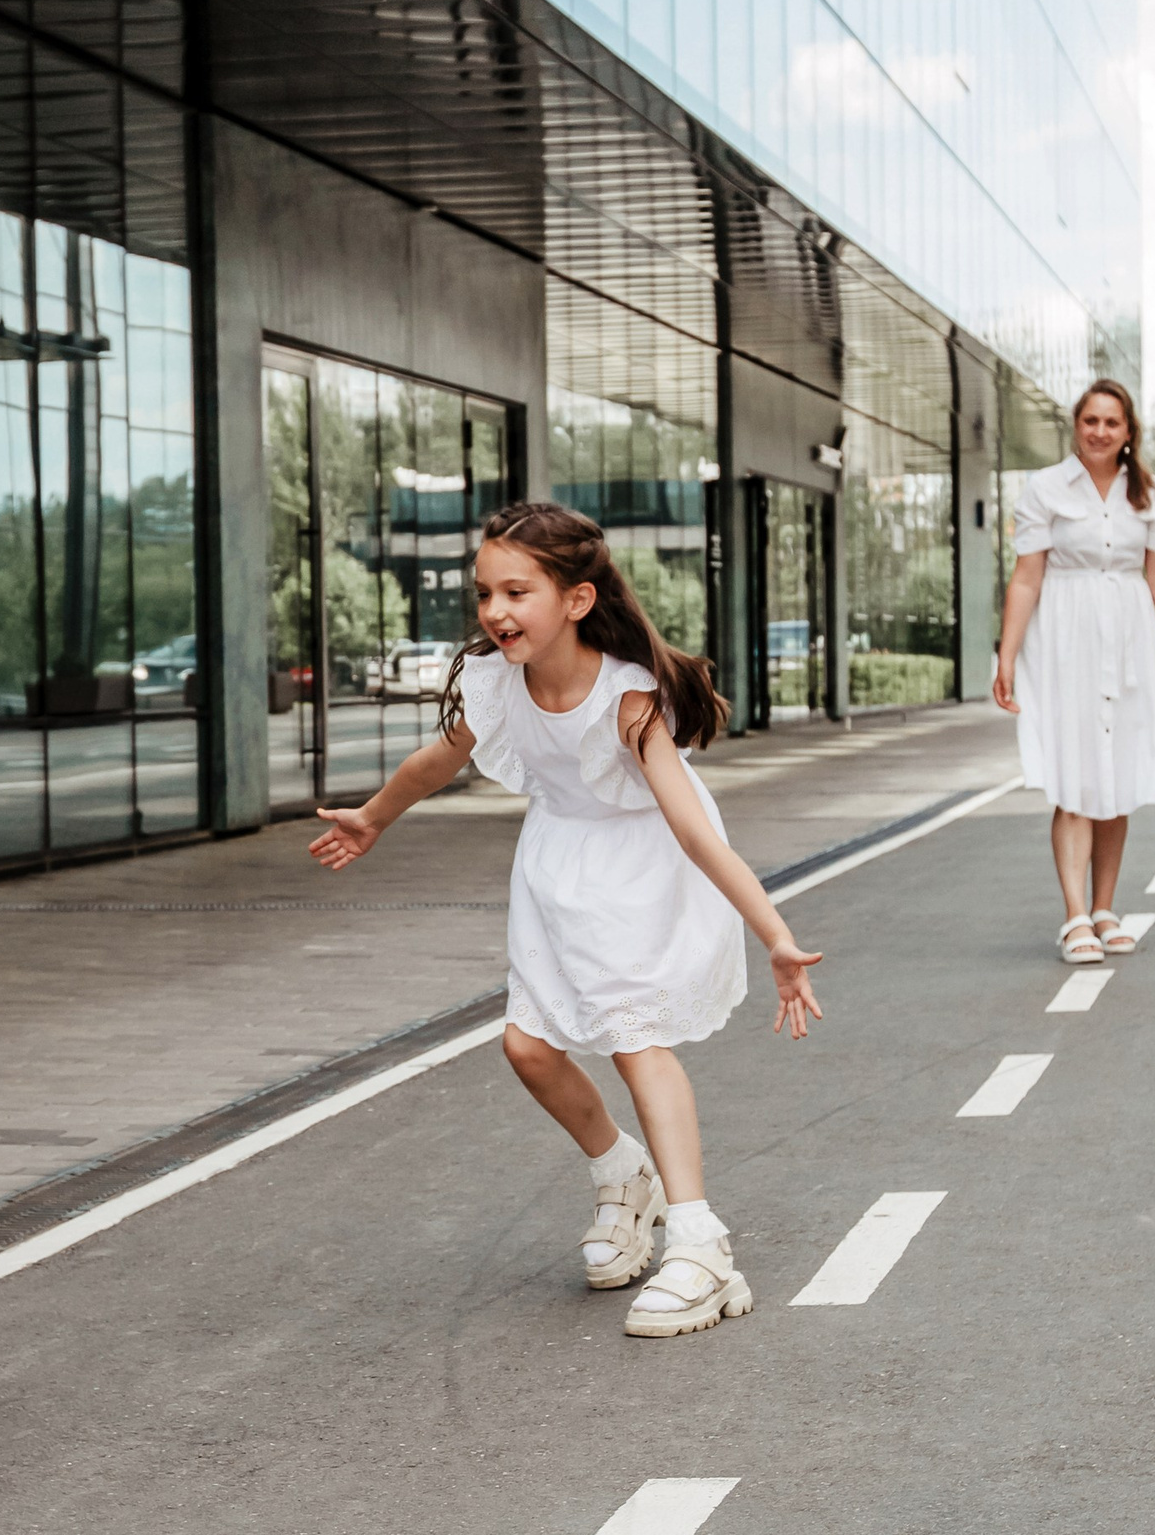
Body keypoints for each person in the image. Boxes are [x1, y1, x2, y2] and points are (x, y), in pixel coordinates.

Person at [310, 501, 821, 1337]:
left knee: (630, 1038)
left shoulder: (629, 698)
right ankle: (625, 1175)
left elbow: (692, 827)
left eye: (517, 591)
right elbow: (437, 758)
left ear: (576, 600)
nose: (494, 611)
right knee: (527, 1045)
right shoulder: (498, 682)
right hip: (555, 874)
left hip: (641, 873)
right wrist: (374, 816)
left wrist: (774, 934)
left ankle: (701, 1246)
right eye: (484, 592)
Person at [991, 377, 1155, 962]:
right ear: (1076, 425)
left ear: (1128, 432)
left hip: (1129, 638)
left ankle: (1107, 908)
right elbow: (1027, 576)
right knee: (1075, 777)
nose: (1100, 431)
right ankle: (1075, 916)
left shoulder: (1148, 493)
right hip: (1065, 638)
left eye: (1112, 422)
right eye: (1091, 420)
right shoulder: (1045, 488)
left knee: (1118, 781)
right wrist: (1006, 655)